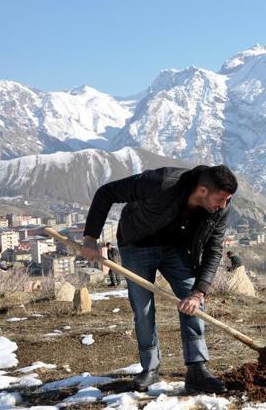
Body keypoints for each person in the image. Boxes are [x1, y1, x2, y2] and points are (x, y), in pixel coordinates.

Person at [81, 165, 236, 393]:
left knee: (193, 302)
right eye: (220, 198)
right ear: (203, 190)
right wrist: (90, 239)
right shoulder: (161, 182)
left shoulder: (220, 209)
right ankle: (150, 369)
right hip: (136, 244)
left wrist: (198, 291)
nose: (223, 205)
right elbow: (107, 193)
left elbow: (213, 249)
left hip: (176, 248)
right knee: (143, 310)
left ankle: (197, 369)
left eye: (227, 199)